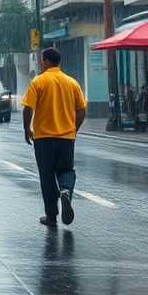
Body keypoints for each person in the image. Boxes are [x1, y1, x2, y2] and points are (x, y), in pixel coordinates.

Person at [22, 47, 88, 227]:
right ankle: (66, 191)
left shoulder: (39, 82)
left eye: (41, 60)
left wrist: (27, 129)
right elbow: (81, 110)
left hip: (44, 138)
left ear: (46, 61)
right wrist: (74, 129)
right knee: (66, 170)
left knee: (47, 175)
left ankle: (51, 216)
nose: (40, 63)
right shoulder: (72, 82)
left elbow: (28, 107)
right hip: (66, 138)